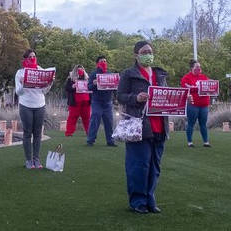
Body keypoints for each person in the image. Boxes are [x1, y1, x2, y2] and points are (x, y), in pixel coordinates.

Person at [117, 41, 169, 214]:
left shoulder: (159, 74)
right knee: (139, 165)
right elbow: (120, 96)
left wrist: (184, 100)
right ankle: (138, 201)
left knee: (155, 166)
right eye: (144, 51)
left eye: (150, 51)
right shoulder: (128, 74)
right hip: (139, 126)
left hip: (159, 126)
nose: (148, 54)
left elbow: (168, 96)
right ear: (136, 55)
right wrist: (136, 98)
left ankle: (150, 199)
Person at [15, 49, 54, 169]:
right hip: (26, 105)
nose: (33, 58)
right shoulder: (20, 73)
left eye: (34, 56)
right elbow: (18, 92)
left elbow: (44, 91)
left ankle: (36, 159)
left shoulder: (41, 70)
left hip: (40, 105)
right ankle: (28, 160)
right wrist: (22, 83)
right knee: (27, 133)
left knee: (37, 134)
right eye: (30, 57)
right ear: (25, 59)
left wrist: (49, 83)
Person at [87, 56, 116, 146]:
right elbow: (88, 87)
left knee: (109, 122)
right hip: (97, 102)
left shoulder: (110, 74)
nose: (104, 62)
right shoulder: (93, 74)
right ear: (97, 63)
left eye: (105, 61)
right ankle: (90, 140)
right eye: (102, 61)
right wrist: (94, 84)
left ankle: (110, 141)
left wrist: (116, 85)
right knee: (95, 120)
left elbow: (114, 88)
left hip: (108, 102)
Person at [181, 60, 211, 147]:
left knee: (203, 124)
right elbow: (185, 89)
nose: (199, 68)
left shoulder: (204, 77)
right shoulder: (186, 78)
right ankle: (190, 142)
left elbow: (209, 87)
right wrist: (195, 88)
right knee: (191, 123)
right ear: (191, 68)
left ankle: (206, 142)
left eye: (200, 67)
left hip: (204, 105)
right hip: (193, 104)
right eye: (197, 67)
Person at [65, 65, 91, 136]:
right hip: (75, 101)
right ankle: (69, 132)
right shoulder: (71, 79)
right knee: (72, 117)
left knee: (87, 118)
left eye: (81, 69)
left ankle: (89, 132)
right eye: (78, 70)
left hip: (86, 101)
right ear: (75, 71)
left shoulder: (87, 78)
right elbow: (67, 88)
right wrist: (72, 86)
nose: (80, 71)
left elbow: (91, 88)